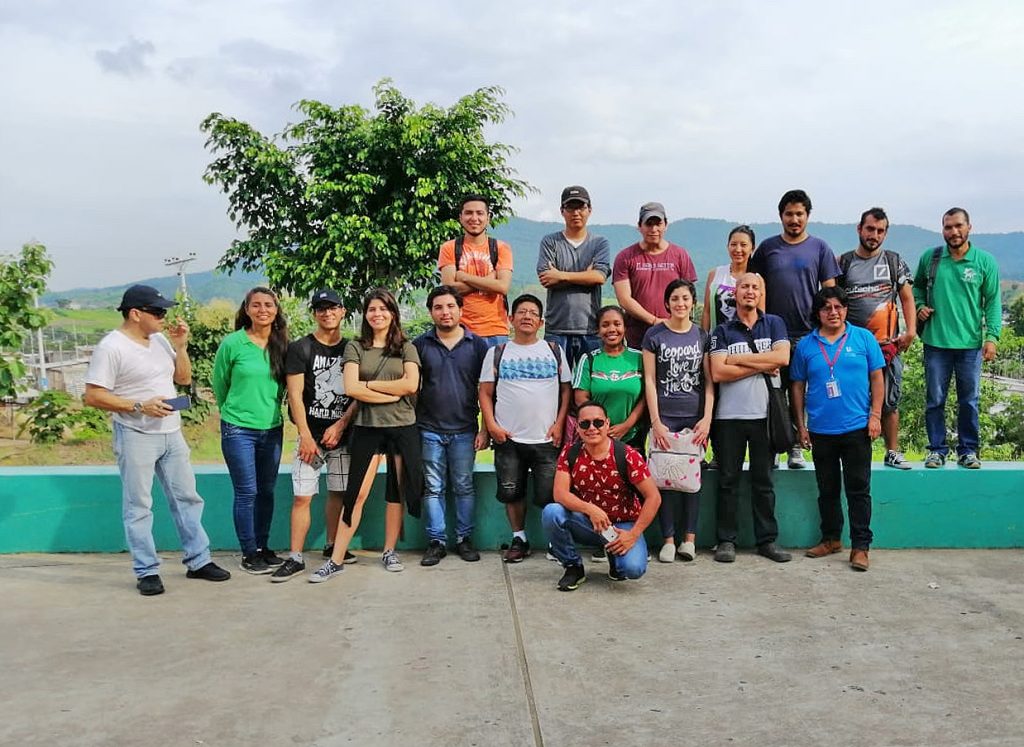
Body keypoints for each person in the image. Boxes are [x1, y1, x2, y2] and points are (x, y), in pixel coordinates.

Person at [84, 284, 230, 595]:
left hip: (171, 433)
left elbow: (183, 379)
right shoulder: (112, 347)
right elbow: (93, 396)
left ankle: (199, 560)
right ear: (135, 314)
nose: (164, 316)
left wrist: (180, 347)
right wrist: (139, 406)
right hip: (135, 433)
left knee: (188, 498)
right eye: (158, 311)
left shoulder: (161, 340)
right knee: (138, 505)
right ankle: (147, 570)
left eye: (164, 311)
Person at [310, 289, 423, 582]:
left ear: (393, 313)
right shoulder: (355, 347)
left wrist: (369, 386)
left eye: (383, 309)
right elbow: (351, 388)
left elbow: (411, 385)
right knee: (356, 493)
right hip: (367, 426)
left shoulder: (407, 347)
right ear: (365, 314)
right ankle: (336, 559)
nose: (377, 314)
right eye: (372, 309)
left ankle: (389, 551)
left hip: (402, 425)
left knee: (396, 490)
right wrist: (389, 393)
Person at [790, 287, 885, 571]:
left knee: (859, 490)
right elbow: (797, 386)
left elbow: (877, 378)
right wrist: (801, 425)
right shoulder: (806, 346)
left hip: (857, 428)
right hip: (821, 430)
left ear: (845, 309)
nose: (833, 312)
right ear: (818, 313)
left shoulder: (863, 338)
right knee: (827, 490)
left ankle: (861, 547)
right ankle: (831, 539)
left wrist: (875, 415)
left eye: (838, 307)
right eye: (826, 308)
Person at [748, 189, 840, 469]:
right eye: (789, 214)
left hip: (807, 334)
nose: (794, 219)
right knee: (773, 392)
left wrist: (827, 329)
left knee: (801, 391)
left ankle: (797, 446)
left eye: (800, 213)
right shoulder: (768, 248)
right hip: (773, 334)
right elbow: (754, 285)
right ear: (781, 216)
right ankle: (776, 444)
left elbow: (830, 292)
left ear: (808, 216)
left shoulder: (820, 248)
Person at [270, 289, 358, 582]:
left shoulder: (352, 348)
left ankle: (332, 545)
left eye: (332, 308)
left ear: (343, 311)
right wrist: (305, 436)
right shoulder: (300, 348)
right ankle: (295, 556)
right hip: (311, 438)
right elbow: (294, 395)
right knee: (302, 495)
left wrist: (341, 426)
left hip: (342, 437)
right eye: (321, 308)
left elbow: (358, 393)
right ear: (314, 314)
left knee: (339, 492)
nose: (327, 313)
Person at [479, 293, 572, 563]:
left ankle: (554, 541)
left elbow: (566, 391)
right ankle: (519, 538)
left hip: (546, 438)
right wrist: (491, 426)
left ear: (541, 322)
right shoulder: (497, 353)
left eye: (533, 313)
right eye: (521, 312)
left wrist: (559, 424)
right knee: (511, 491)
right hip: (508, 438)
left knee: (549, 495)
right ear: (510, 319)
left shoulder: (554, 351)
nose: (527, 316)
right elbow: (485, 392)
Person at [708, 273, 792, 564]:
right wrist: (762, 364)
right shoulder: (722, 330)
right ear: (735, 293)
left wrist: (737, 360)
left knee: (763, 481)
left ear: (761, 293)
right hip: (728, 417)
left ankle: (767, 540)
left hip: (765, 415)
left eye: (755, 287)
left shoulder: (774, 323)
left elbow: (782, 359)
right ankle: (726, 540)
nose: (750, 291)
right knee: (727, 480)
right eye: (744, 286)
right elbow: (718, 371)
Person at [914, 207, 1001, 469]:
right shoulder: (931, 258)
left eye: (958, 226)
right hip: (935, 343)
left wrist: (992, 337)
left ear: (969, 227)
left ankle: (968, 450)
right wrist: (920, 306)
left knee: (969, 401)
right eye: (948, 227)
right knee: (934, 401)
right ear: (943, 230)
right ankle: (936, 450)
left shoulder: (984, 261)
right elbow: (917, 287)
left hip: (970, 345)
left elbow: (993, 302)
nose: (953, 232)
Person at [542, 401, 662, 591]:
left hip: (622, 524)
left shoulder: (627, 455)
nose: (592, 428)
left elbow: (653, 497)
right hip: (588, 523)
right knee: (552, 512)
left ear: (607, 424)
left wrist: (633, 535)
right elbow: (560, 494)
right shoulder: (570, 453)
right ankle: (573, 566)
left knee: (633, 569)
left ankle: (616, 562)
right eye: (585, 424)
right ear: (577, 427)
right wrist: (590, 509)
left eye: (598, 423)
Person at [213, 286, 288, 575]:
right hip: (238, 429)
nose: (262, 310)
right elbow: (220, 384)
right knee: (247, 492)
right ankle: (249, 552)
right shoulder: (233, 343)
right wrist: (234, 413)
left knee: (267, 491)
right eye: (256, 305)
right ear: (246, 310)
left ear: (276, 310)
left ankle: (263, 546)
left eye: (268, 305)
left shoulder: (282, 344)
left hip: (272, 428)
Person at [413, 286, 489, 566]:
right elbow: (413, 389)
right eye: (438, 307)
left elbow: (487, 391)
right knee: (433, 488)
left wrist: (484, 429)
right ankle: (436, 542)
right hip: (429, 429)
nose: (445, 312)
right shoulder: (420, 345)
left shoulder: (478, 345)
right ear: (431, 312)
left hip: (465, 430)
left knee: (464, 486)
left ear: (460, 309)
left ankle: (464, 539)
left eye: (450, 306)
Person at [836, 208, 917, 470]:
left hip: (887, 347)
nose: (874, 235)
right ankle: (847, 453)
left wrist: (911, 331)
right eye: (870, 229)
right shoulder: (843, 263)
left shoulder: (893, 261)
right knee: (850, 401)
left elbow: (907, 298)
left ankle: (892, 451)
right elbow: (833, 301)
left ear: (886, 233)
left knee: (890, 402)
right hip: (852, 348)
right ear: (859, 229)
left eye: (880, 231)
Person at [642, 279, 714, 563]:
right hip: (665, 419)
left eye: (685, 298)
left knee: (692, 481)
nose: (680, 303)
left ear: (693, 302)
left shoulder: (701, 335)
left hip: (694, 420)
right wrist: (655, 421)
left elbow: (709, 381)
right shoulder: (654, 335)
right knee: (664, 479)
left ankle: (689, 540)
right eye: (675, 298)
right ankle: (668, 540)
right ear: (667, 303)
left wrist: (707, 418)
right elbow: (649, 380)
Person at [536, 185, 611, 369]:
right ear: (562, 211)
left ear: (589, 210)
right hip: (557, 329)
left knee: (592, 381)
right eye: (570, 207)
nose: (576, 213)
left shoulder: (599, 243)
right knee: (556, 382)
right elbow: (546, 278)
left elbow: (599, 277)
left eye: (581, 207)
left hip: (591, 329)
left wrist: (560, 275)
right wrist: (585, 276)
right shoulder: (550, 242)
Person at [613, 201, 698, 348]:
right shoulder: (625, 257)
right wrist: (654, 321)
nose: (654, 229)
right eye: (649, 224)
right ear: (639, 226)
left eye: (658, 224)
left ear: (666, 225)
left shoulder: (680, 255)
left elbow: (689, 295)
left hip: (675, 335)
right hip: (638, 336)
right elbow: (624, 299)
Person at [437, 194, 514, 347]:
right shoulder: (449, 248)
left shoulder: (501, 248)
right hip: (461, 330)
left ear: (488, 218)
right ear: (460, 218)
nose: (474, 218)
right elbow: (449, 290)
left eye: (480, 213)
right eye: (468, 213)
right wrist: (489, 280)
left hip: (496, 330)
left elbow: (502, 287)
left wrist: (464, 277)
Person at [700, 225, 758, 332]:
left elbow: (761, 317)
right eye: (733, 244)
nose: (738, 249)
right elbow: (707, 311)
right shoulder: (715, 274)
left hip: (745, 340)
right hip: (717, 339)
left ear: (752, 248)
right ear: (727, 247)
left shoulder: (757, 279)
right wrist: (704, 337)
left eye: (743, 245)